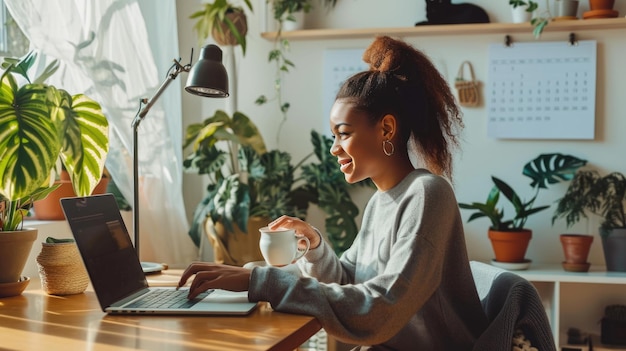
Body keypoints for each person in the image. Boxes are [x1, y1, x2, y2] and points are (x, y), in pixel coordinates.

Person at [178, 35, 489, 350]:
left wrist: (261, 281)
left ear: (386, 129)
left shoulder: (428, 194)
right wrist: (314, 246)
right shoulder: (381, 202)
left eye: (344, 134)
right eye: (333, 136)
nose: (334, 148)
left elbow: (382, 308)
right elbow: (349, 282)